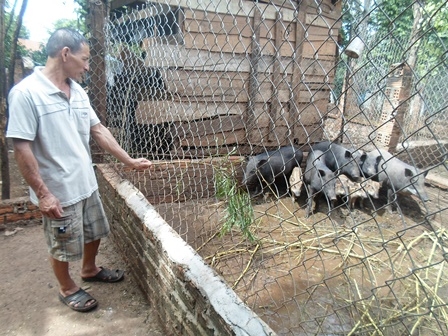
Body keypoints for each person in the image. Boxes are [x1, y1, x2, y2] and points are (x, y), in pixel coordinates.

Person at [6, 28, 152, 312]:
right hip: (58, 192)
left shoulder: (79, 92)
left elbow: (98, 131)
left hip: (86, 183)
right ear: (65, 54)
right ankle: (67, 287)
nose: (87, 65)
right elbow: (22, 148)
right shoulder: (26, 94)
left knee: (94, 231)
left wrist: (129, 161)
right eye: (84, 59)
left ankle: (89, 269)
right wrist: (43, 194)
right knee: (61, 244)